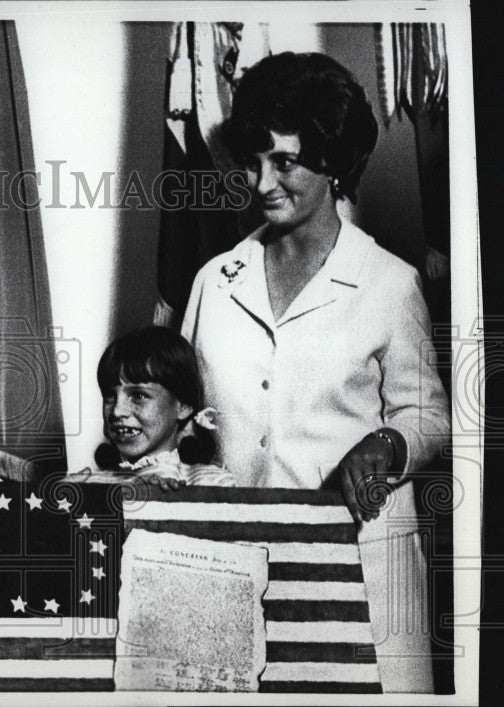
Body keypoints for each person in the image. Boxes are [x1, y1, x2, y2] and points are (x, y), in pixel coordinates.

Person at [180, 52, 451, 692]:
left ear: (330, 165)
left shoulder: (389, 283)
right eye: (254, 161)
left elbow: (431, 415)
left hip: (356, 576)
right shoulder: (214, 282)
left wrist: (390, 443)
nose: (261, 183)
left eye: (286, 162)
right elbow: (185, 418)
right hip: (236, 574)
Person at [72, 326, 235, 488]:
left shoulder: (212, 484)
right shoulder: (89, 484)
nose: (117, 411)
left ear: (183, 406)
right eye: (109, 395)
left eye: (138, 395)